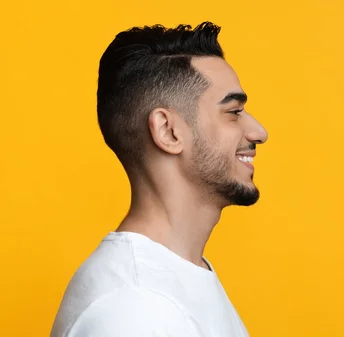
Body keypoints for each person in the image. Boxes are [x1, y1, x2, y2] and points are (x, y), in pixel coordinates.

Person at [50, 22, 268, 337]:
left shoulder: (172, 280)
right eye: (233, 112)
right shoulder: (134, 309)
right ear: (168, 131)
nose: (259, 132)